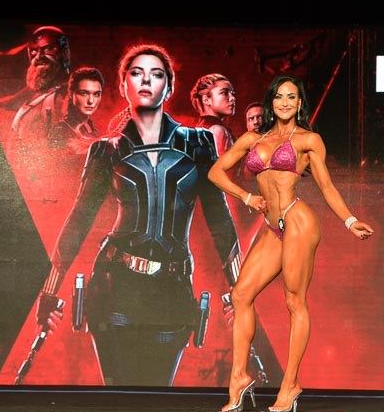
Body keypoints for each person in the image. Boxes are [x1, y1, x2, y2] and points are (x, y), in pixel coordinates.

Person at [36, 44, 242, 386]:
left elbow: (220, 220)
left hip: (172, 290)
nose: (146, 80)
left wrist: (242, 290)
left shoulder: (199, 144)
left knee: (157, 396)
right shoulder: (105, 149)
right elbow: (78, 221)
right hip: (115, 285)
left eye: (156, 74)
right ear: (123, 86)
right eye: (137, 73)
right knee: (119, 396)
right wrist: (49, 293)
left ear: (169, 87)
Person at [208, 76, 374, 412]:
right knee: (241, 295)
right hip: (272, 227)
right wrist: (246, 197)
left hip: (297, 221)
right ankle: (239, 378)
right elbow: (215, 173)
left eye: (292, 97)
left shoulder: (308, 140)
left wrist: (349, 220)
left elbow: (326, 187)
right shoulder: (253, 139)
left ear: (300, 104)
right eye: (279, 97)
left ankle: (290, 383)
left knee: (294, 301)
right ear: (271, 103)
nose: (285, 102)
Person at [47, 66, 104, 151]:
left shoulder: (89, 125)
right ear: (71, 93)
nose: (91, 101)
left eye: (96, 94)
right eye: (84, 93)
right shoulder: (61, 130)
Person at [190, 73, 236, 155]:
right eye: (224, 92)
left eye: (232, 93)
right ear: (206, 100)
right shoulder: (218, 130)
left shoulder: (200, 128)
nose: (233, 98)